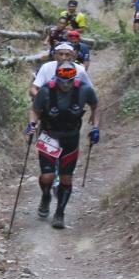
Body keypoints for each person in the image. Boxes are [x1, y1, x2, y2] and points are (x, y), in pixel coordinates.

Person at [26, 61, 100, 229]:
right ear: (56, 77)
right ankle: (46, 196)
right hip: (49, 137)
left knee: (66, 177)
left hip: (71, 138)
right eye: (62, 80)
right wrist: (31, 124)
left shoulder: (84, 90)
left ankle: (60, 213)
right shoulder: (45, 91)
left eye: (69, 81)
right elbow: (35, 111)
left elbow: (96, 106)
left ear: (74, 77)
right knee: (48, 176)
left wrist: (95, 127)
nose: (65, 85)